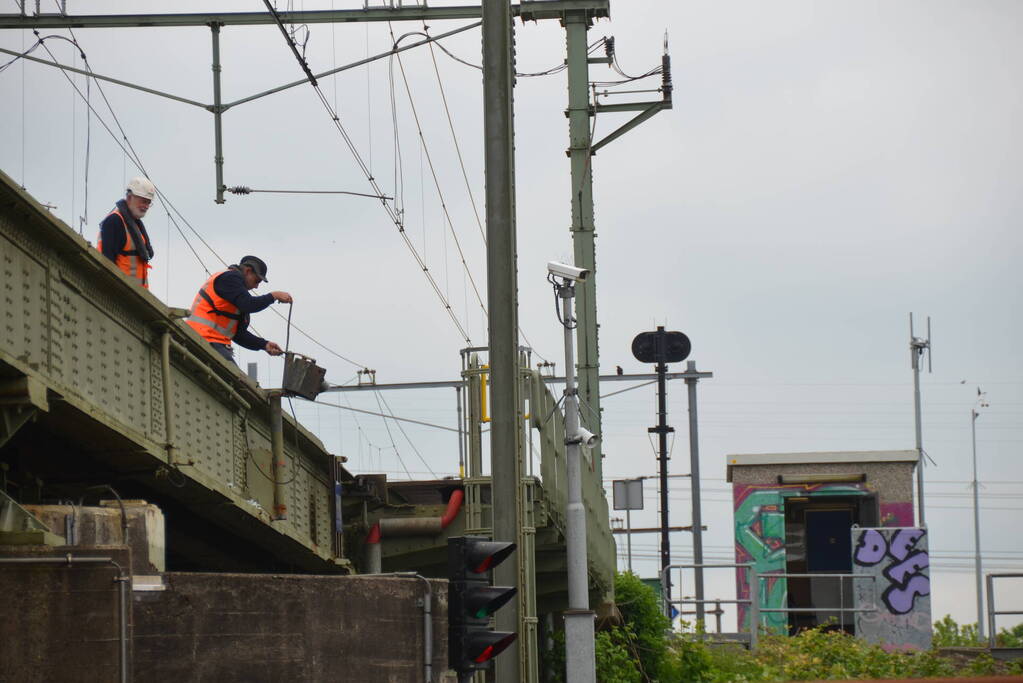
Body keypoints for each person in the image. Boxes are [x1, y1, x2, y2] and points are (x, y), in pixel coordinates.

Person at [185, 256, 293, 364]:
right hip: (201, 337)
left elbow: (238, 335)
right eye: (257, 281)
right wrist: (273, 296)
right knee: (232, 378)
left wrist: (264, 345)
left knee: (235, 378)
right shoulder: (230, 278)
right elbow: (249, 304)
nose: (256, 286)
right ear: (247, 271)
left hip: (212, 341)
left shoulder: (237, 295)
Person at [97, 176, 156, 288]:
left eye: (149, 203)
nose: (146, 206)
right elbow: (107, 262)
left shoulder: (134, 225)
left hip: (135, 295)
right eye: (143, 201)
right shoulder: (114, 221)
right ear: (129, 197)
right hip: (119, 293)